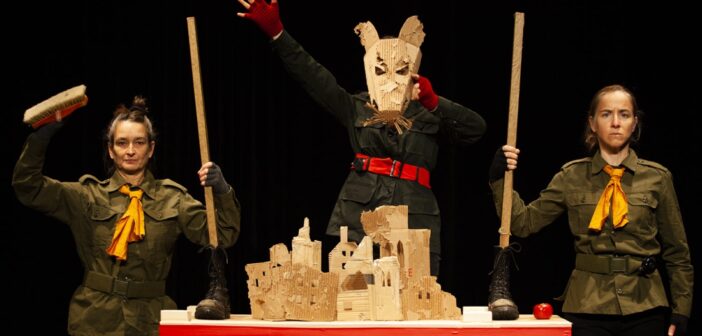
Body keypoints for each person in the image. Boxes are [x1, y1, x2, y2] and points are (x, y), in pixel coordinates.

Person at [237, 0, 487, 276]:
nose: (391, 79)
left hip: (414, 213)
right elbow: (313, 76)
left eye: (401, 70)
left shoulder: (428, 113)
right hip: (360, 212)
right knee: (355, 294)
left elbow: (475, 129)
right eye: (381, 70)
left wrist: (433, 101)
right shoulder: (356, 106)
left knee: (417, 295)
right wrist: (278, 34)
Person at [12, 95, 242, 335]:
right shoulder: (87, 195)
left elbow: (223, 236)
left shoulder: (173, 198)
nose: (130, 151)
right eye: (122, 143)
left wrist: (223, 191)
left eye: (139, 142)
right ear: (110, 150)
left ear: (151, 148)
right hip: (95, 319)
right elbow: (29, 187)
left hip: (150, 319)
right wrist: (41, 138)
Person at [489, 84, 693, 336]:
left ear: (634, 123)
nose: (616, 122)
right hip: (587, 305)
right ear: (593, 123)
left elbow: (677, 252)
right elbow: (523, 223)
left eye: (624, 114)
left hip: (645, 304)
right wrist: (499, 180)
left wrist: (681, 309)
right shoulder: (572, 176)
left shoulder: (657, 178)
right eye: (606, 114)